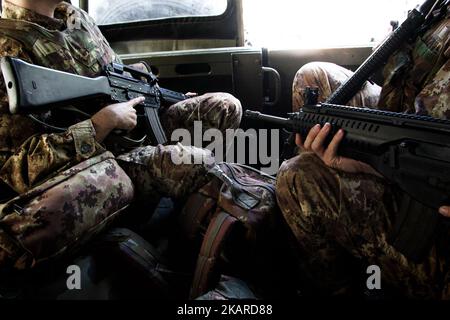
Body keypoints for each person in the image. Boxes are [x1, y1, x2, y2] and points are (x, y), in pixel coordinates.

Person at [0, 0, 241, 263]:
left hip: (132, 133)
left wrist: (162, 96)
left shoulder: (76, 18)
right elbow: (16, 170)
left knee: (224, 107)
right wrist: (99, 125)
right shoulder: (9, 48)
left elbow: (116, 80)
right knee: (194, 162)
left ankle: (184, 220)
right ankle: (190, 256)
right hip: (96, 168)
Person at [276, 3, 449, 298]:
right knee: (313, 77)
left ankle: (341, 288)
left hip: (434, 207)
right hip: (414, 129)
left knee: (297, 179)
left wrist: (364, 162)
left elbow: (429, 156)